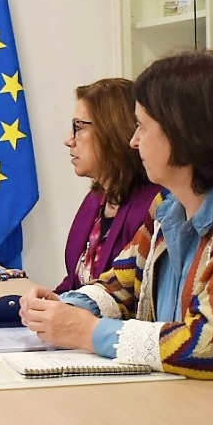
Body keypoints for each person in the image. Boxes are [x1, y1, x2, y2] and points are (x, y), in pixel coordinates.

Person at [20, 51, 213, 423]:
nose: (132, 142)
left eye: (142, 127)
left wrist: (89, 332)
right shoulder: (170, 204)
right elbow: (122, 283)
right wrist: (64, 307)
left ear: (185, 133)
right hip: (202, 416)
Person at [57, 78, 162, 293]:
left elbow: (133, 299)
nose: (69, 140)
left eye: (78, 127)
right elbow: (75, 282)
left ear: (111, 129)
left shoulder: (154, 207)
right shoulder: (95, 200)